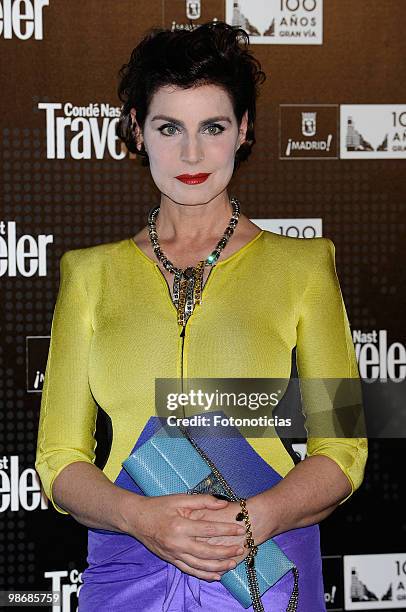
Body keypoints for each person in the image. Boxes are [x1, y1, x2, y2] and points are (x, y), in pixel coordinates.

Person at [35, 22, 368, 611]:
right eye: (169, 127)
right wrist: (139, 517)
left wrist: (255, 518)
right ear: (137, 131)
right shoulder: (89, 276)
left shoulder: (304, 265)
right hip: (129, 566)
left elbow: (342, 448)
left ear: (243, 130)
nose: (192, 153)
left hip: (263, 566)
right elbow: (59, 460)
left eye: (212, 127)